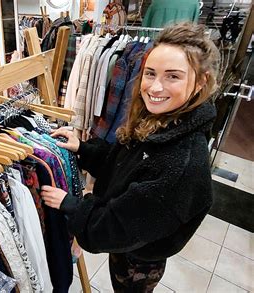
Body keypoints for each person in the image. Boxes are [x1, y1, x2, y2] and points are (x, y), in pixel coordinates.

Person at [41, 22, 220, 292]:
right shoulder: (162, 120)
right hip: (135, 238)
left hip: (140, 256)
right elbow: (124, 164)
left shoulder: (180, 165)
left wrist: (71, 205)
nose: (155, 87)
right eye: (150, 73)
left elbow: (112, 229)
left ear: (200, 82)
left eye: (173, 76)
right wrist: (83, 148)